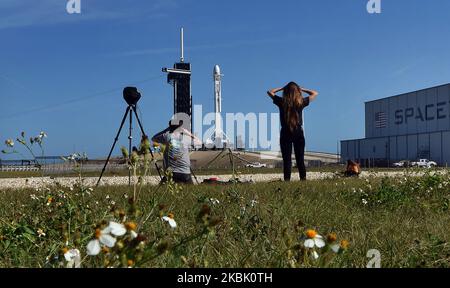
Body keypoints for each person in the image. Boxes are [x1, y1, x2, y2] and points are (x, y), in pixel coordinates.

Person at [267, 82, 318, 181]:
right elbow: (315, 93)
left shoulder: (281, 102)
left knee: (287, 160)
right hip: (298, 131)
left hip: (285, 131)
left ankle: (287, 181)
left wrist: (282, 88)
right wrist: (302, 89)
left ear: (286, 92)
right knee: (300, 159)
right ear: (297, 92)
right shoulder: (301, 102)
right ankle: (303, 179)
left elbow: (270, 92)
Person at [152, 120, 201, 184]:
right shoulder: (185, 138)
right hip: (185, 173)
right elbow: (199, 142)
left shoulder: (166, 136)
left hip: (171, 172)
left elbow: (153, 138)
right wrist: (188, 133)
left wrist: (166, 130)